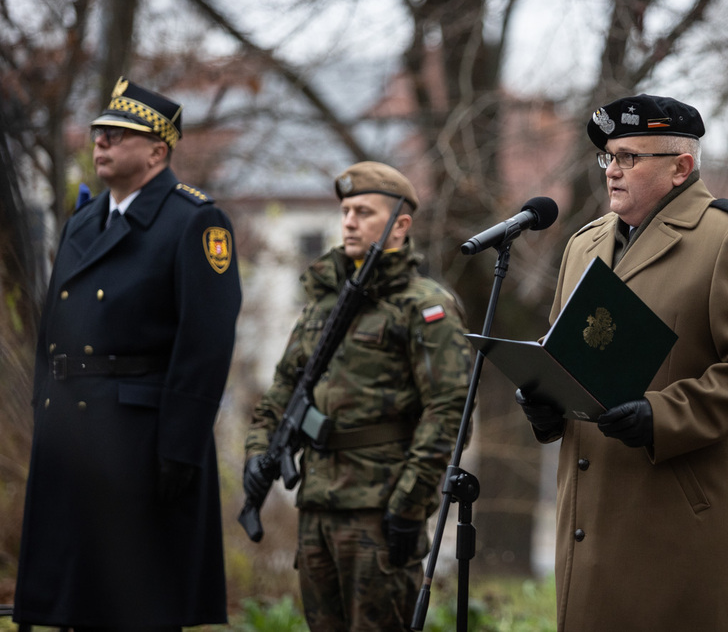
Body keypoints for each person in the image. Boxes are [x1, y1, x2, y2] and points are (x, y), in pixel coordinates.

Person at [516, 94, 728, 631]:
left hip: (675, 514)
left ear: (680, 167)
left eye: (629, 157)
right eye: (609, 158)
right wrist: (545, 400)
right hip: (590, 513)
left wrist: (664, 414)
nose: (613, 172)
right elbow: (564, 354)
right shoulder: (585, 244)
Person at [14, 77, 242, 629]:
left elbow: (206, 343)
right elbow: (55, 328)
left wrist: (180, 447)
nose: (100, 145)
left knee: (136, 604)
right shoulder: (83, 221)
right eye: (98, 135)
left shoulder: (193, 221)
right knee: (75, 604)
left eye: (116, 136)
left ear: (157, 151)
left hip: (140, 438)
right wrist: (45, 417)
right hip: (73, 432)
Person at [243, 161, 473, 632]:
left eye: (364, 212)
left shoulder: (423, 305)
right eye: (346, 210)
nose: (348, 221)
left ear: (400, 226)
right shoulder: (322, 305)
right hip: (318, 506)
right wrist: (256, 453)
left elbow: (449, 412)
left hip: (379, 508)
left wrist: (408, 504)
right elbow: (281, 393)